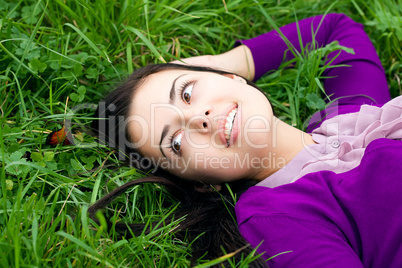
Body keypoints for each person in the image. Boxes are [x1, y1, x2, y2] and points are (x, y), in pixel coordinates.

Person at [89, 13, 402, 267]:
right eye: (175, 141)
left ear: (229, 76)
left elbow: (333, 30)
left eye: (187, 92)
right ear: (200, 183)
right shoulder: (277, 216)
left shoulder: (349, 117)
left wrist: (218, 63)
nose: (199, 117)